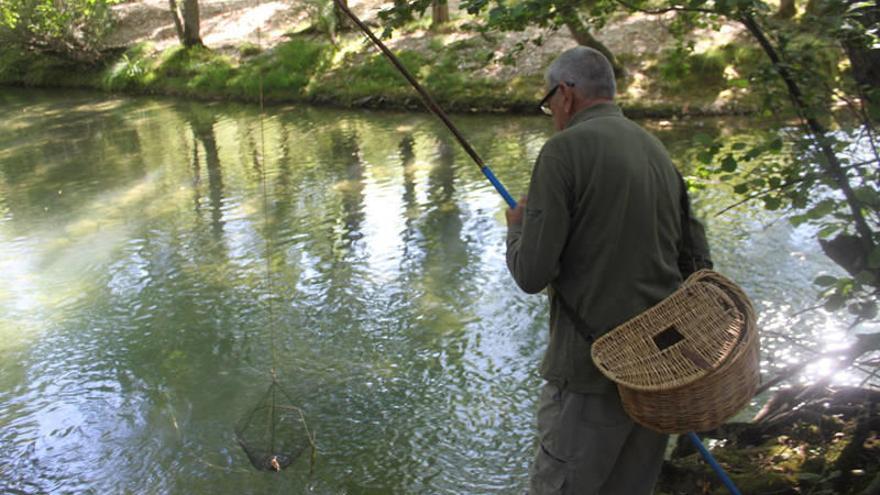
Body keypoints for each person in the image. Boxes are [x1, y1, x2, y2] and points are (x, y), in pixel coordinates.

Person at [505, 46, 712, 494]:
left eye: (548, 104)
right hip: (656, 377)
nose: (551, 114)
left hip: (588, 376)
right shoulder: (657, 151)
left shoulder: (563, 152)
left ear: (566, 94)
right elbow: (698, 263)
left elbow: (531, 274)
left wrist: (517, 229)